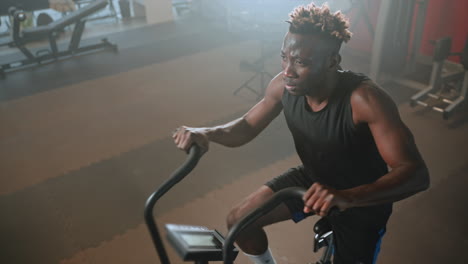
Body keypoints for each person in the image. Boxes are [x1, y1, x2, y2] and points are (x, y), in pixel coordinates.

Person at [172, 3, 430, 264]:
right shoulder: (283, 85)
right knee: (239, 221)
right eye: (284, 57)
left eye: (300, 62)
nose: (287, 70)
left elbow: (415, 174)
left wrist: (348, 197)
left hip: (361, 199)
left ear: (332, 61)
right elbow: (247, 126)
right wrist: (206, 132)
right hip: (313, 179)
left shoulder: (365, 99)